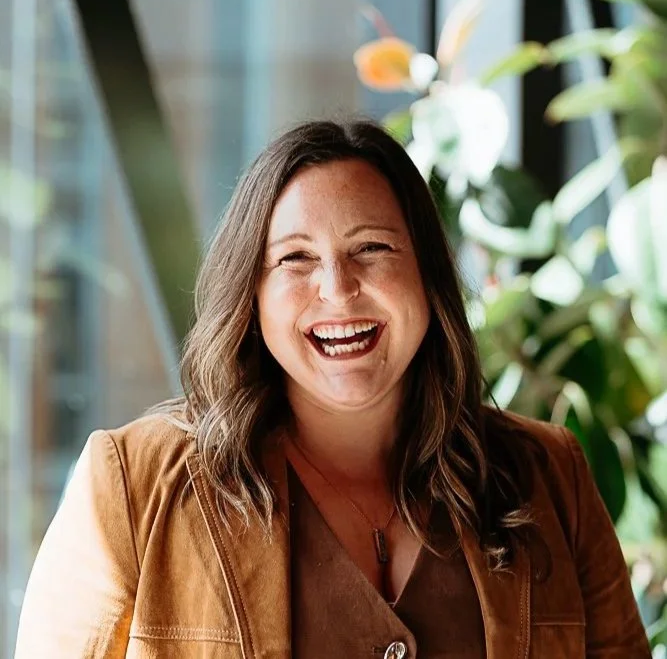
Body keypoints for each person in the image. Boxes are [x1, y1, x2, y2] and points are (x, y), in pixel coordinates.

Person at [15, 120, 650, 659]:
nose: (338, 289)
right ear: (251, 295)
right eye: (294, 258)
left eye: (372, 248)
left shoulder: (549, 475)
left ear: (428, 277)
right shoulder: (133, 484)